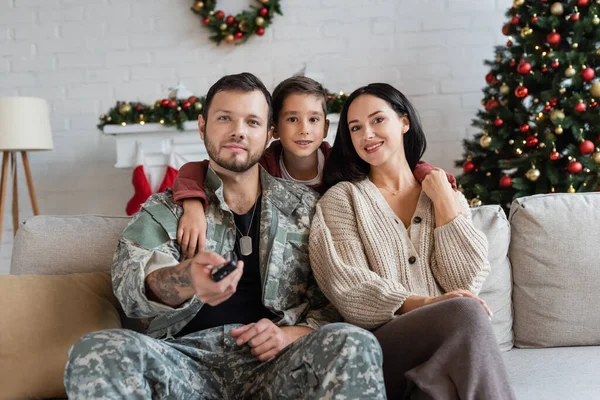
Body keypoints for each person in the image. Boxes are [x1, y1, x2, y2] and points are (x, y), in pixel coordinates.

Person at [63, 73, 386, 399]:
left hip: (280, 365)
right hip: (183, 363)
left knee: (352, 341)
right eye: (224, 118)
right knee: (98, 348)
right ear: (203, 125)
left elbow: (334, 299)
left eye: (252, 122)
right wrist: (185, 277)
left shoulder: (307, 208)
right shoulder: (166, 210)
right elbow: (129, 289)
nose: (238, 131)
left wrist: (289, 335)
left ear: (270, 133)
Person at [309, 83, 516, 400]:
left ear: (404, 122)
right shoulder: (342, 200)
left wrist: (445, 202)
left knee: (438, 391)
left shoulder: (443, 195)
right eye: (356, 127)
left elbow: (465, 278)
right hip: (380, 347)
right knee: (466, 313)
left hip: (442, 350)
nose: (367, 134)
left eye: (378, 120)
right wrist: (425, 303)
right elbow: (349, 289)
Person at [172, 76, 456, 258]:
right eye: (292, 119)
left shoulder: (341, 162)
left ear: (326, 127)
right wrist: (194, 205)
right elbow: (198, 169)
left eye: (313, 120)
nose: (304, 130)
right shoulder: (264, 165)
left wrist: (430, 177)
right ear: (274, 129)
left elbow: (399, 164)